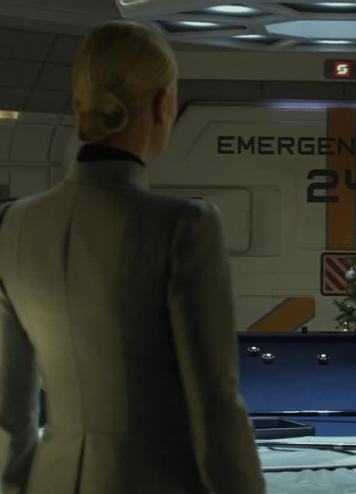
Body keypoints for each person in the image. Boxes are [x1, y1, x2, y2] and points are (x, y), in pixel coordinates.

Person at [0, 21, 265, 493]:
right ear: (164, 104)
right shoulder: (185, 225)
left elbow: (8, 409)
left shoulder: (10, 224)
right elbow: (214, 406)